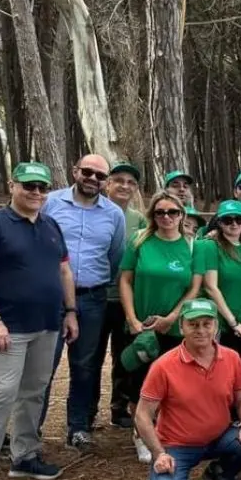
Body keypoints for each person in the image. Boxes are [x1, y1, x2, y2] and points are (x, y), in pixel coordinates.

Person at [0, 163, 77, 480]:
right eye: (29, 186)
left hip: (46, 325)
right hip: (7, 328)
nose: (36, 193)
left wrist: (70, 312)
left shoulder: (51, 225)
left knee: (35, 391)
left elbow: (64, 271)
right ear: (12, 186)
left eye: (42, 187)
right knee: (0, 394)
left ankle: (25, 456)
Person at [137, 298, 241, 480]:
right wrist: (158, 453)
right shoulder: (163, 366)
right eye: (193, 324)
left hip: (219, 437)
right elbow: (142, 415)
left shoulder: (232, 358)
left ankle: (221, 472)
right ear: (181, 327)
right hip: (177, 445)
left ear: (216, 327)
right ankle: (171, 469)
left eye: (207, 324)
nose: (201, 330)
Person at [39, 154, 126, 453]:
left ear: (106, 181)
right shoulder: (49, 202)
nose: (93, 179)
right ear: (75, 171)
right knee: (42, 365)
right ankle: (31, 431)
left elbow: (115, 257)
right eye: (87, 172)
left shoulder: (114, 214)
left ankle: (78, 428)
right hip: (49, 296)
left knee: (85, 365)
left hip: (91, 297)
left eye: (100, 176)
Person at [120, 191, 201, 463]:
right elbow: (126, 281)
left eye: (172, 212)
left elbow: (195, 287)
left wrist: (171, 318)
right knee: (139, 383)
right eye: (160, 212)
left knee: (174, 384)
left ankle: (168, 432)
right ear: (152, 216)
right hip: (141, 327)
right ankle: (140, 434)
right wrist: (132, 320)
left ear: (182, 215)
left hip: (175, 329)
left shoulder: (193, 246)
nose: (166, 217)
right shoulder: (140, 241)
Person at [96, 162, 148, 428]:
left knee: (124, 356)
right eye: (119, 180)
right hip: (96, 297)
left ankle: (120, 408)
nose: (124, 186)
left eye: (130, 182)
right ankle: (84, 417)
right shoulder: (94, 211)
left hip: (127, 300)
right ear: (107, 184)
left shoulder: (139, 219)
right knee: (90, 359)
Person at [194, 200, 241, 370]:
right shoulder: (209, 246)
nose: (234, 224)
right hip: (219, 323)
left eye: (239, 219)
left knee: (238, 371)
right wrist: (232, 322)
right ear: (219, 223)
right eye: (227, 220)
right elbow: (210, 287)